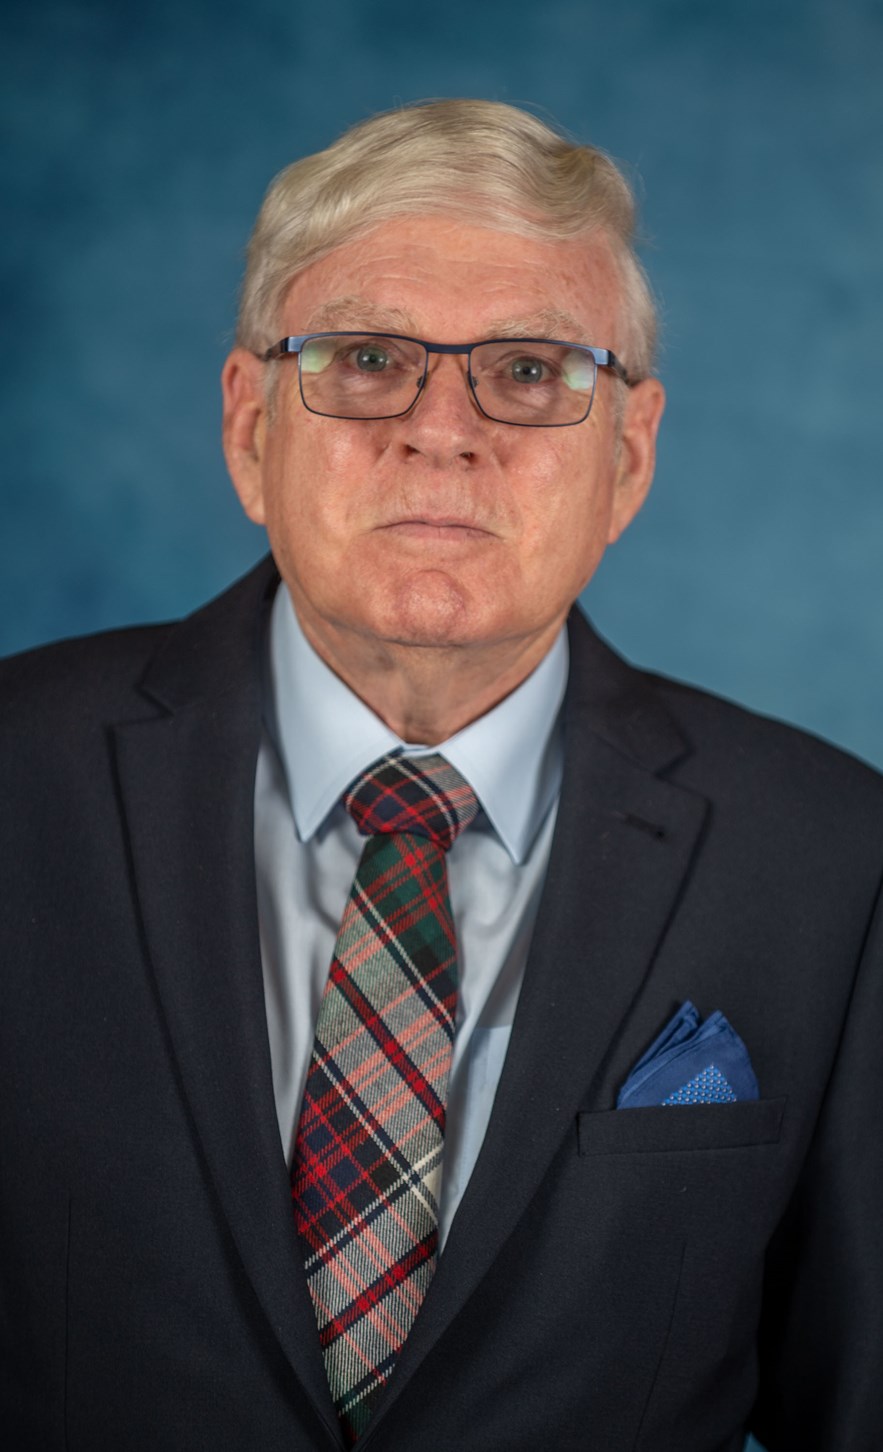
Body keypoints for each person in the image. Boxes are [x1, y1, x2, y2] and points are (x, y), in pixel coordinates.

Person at [1, 100, 881, 1452]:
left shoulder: (832, 861)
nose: (443, 431)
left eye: (529, 371)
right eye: (366, 359)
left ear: (627, 458)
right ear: (249, 429)